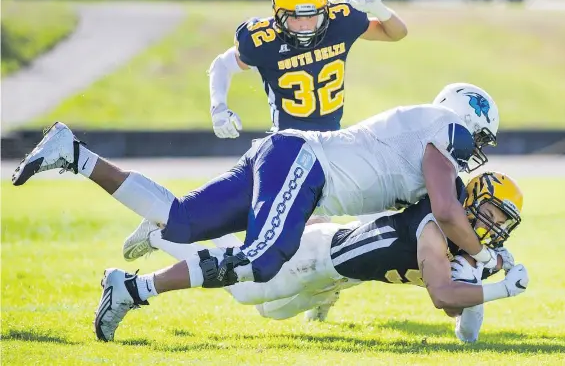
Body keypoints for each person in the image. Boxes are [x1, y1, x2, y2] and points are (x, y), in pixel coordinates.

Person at [13, 82, 501, 341]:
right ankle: (137, 290)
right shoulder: (448, 128)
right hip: (305, 165)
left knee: (182, 220)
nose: (475, 150)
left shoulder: (426, 132)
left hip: (293, 158)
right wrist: (485, 254)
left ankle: (74, 155)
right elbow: (447, 211)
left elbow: (438, 223)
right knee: (261, 260)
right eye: (481, 138)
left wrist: (476, 267)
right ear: (469, 117)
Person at [94, 171, 529, 342]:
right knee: (243, 292)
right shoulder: (434, 230)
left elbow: (466, 324)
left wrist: (484, 284)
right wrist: (503, 288)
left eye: (502, 220)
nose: (494, 227)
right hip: (318, 257)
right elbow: (443, 296)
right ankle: (159, 241)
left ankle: (321, 298)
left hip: (337, 273)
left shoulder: (469, 249)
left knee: (271, 313)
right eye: (490, 214)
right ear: (470, 202)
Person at [209, 0, 407, 139]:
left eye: (312, 16)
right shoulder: (263, 40)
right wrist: (218, 108)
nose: (304, 25)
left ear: (326, 11)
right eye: (295, 18)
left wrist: (380, 10)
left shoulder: (340, 21)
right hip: (287, 141)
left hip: (333, 138)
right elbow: (222, 65)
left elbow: (397, 33)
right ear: (278, 15)